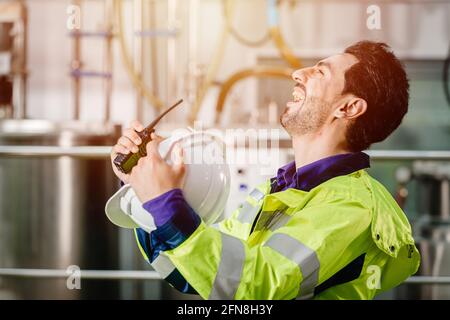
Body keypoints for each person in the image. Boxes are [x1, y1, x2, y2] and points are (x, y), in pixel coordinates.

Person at [110, 41, 420, 300]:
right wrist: (145, 188)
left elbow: (255, 288)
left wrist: (165, 201)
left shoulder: (351, 207)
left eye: (320, 72)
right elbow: (199, 277)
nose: (298, 73)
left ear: (349, 108)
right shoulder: (278, 190)